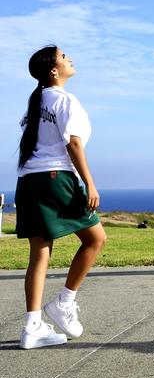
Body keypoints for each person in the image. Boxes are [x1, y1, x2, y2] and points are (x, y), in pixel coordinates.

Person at [15, 46, 107, 349]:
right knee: (95, 239)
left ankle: (32, 327)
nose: (69, 58)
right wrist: (90, 183)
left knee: (40, 253)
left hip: (28, 180)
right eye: (64, 56)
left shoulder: (34, 103)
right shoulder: (65, 100)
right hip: (57, 178)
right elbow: (74, 144)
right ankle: (64, 302)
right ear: (54, 70)